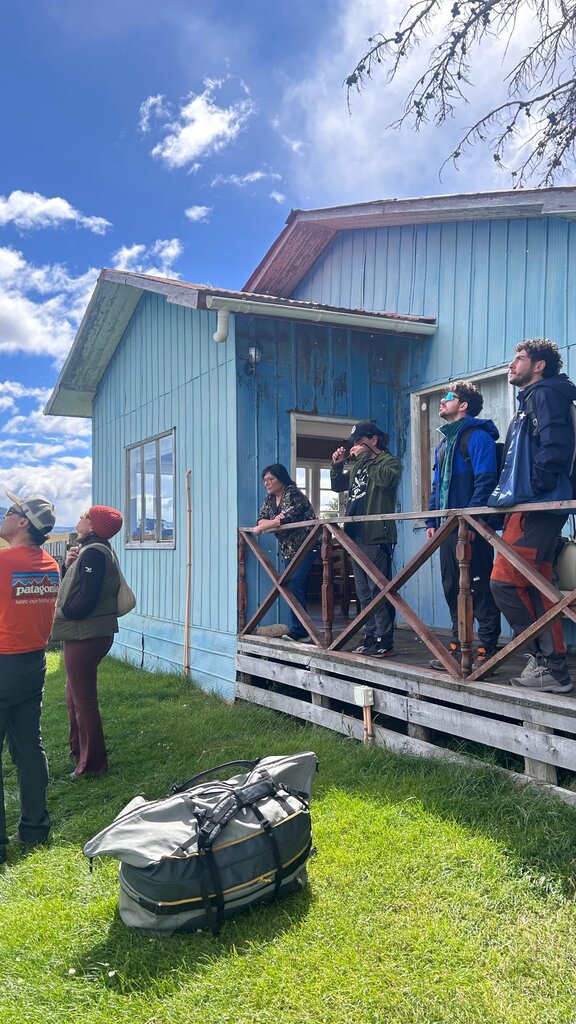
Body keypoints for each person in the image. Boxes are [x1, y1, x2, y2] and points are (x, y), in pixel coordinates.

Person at [488, 339, 576, 693]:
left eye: (520, 359)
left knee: (506, 582)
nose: (512, 365)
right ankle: (554, 670)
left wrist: (535, 489)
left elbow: (556, 447)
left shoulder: (546, 394)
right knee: (537, 584)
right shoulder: (531, 400)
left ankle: (548, 665)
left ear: (539, 366)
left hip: (539, 504)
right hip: (529, 504)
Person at [425, 381, 501, 671]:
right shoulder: (444, 444)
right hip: (447, 529)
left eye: (448, 397)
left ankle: (486, 647)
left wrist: (471, 521)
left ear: (464, 405)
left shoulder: (478, 437)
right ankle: (459, 645)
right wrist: (432, 521)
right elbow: (436, 487)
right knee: (451, 587)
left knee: (479, 587)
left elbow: (486, 481)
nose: (442, 401)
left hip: (472, 528)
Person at [0, 491, 59, 862]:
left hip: (3, 661)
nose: (4, 515)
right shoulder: (50, 565)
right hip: (33, 664)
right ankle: (35, 829)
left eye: (10, 510)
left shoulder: (4, 562)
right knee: (29, 749)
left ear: (23, 522)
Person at [51, 505, 123, 776]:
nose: (79, 520)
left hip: (86, 635)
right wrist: (68, 566)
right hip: (91, 633)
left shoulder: (93, 553)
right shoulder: (94, 550)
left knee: (84, 701)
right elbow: (78, 587)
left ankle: (92, 765)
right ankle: (78, 751)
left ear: (93, 526)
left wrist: (63, 612)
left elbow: (85, 600)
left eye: (84, 517)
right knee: (74, 697)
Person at [331, 421, 401, 657]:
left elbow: (387, 480)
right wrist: (338, 465)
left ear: (373, 440)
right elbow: (338, 485)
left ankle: (385, 639)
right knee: (362, 591)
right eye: (354, 443)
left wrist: (366, 457)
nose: (356, 447)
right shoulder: (360, 464)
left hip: (376, 533)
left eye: (360, 442)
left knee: (378, 589)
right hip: (355, 533)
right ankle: (370, 635)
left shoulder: (389, 461)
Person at [253, 465, 318, 642]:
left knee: (295, 583)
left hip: (307, 545)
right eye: (265, 480)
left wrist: (268, 524)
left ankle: (302, 631)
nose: (267, 483)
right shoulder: (269, 498)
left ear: (281, 478)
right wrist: (270, 522)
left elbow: (288, 518)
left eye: (271, 479)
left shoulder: (292, 493)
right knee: (290, 585)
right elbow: (261, 519)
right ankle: (300, 629)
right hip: (289, 550)